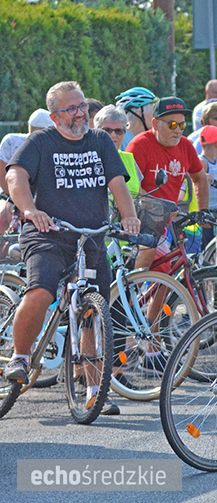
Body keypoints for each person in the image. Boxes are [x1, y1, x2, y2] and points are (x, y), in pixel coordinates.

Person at [2, 81, 140, 419]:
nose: (79, 113)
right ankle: (20, 356)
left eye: (81, 106)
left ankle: (95, 391)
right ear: (54, 116)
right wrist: (29, 209)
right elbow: (15, 176)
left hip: (91, 236)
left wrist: (130, 217)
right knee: (40, 292)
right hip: (48, 235)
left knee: (94, 316)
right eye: (70, 108)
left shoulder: (100, 141)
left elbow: (117, 183)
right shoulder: (41, 142)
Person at [126, 96, 209, 271]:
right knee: (152, 260)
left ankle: (153, 299)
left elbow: (200, 177)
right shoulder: (139, 145)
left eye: (182, 125)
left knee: (166, 275)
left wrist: (203, 211)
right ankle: (129, 297)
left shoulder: (186, 146)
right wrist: (157, 209)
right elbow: (131, 187)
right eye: (172, 125)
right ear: (155, 124)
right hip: (137, 221)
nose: (178, 130)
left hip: (164, 223)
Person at [0, 109, 56, 234]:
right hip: (12, 195)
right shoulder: (11, 143)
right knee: (3, 217)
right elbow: (3, 177)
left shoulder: (58, 147)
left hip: (46, 198)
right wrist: (21, 204)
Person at [93, 105, 142, 198]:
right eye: (107, 130)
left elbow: (140, 196)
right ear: (96, 131)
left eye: (118, 131)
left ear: (124, 132)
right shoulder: (87, 158)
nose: (113, 135)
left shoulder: (129, 159)